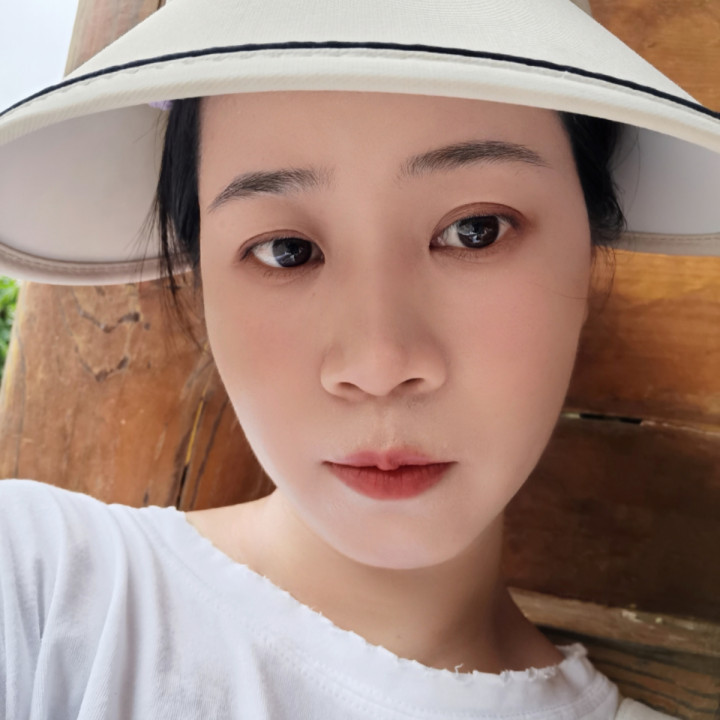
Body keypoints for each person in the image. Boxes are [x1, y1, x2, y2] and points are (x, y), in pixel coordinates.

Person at [0, 1, 718, 718]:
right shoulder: (39, 589)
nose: (379, 365)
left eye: (475, 230)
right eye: (287, 251)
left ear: (587, 254)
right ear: (203, 283)